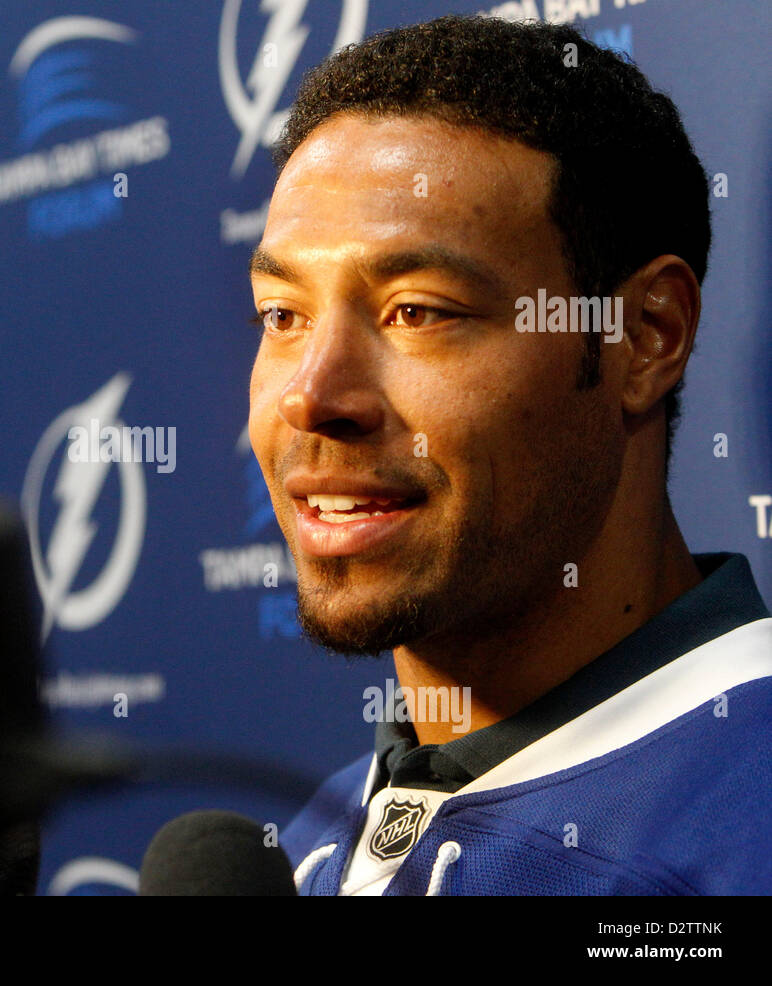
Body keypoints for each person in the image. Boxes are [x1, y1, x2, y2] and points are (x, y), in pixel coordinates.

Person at [248, 16, 772, 895]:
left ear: (644, 337)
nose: (311, 394)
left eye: (417, 311)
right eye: (282, 316)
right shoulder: (311, 842)